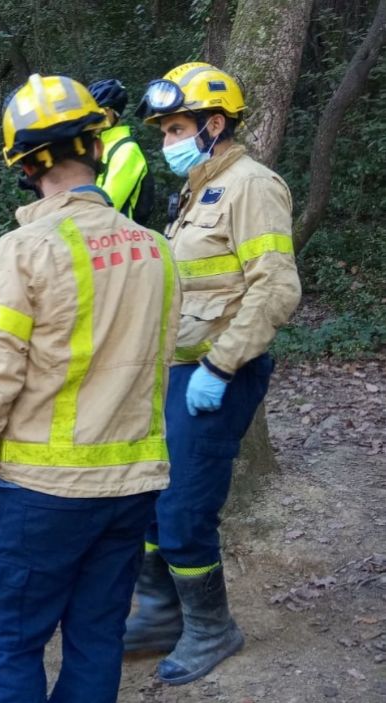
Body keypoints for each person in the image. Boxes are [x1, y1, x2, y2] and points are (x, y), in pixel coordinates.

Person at [0, 73, 181, 702]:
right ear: (97, 146)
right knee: (98, 634)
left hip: (41, 496)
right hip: (132, 485)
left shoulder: (23, 251)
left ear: (24, 167)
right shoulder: (157, 250)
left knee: (12, 640)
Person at [129, 62, 301, 685]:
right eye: (165, 130)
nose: (167, 141)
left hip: (218, 375)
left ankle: (211, 627)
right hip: (177, 372)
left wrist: (220, 365)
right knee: (154, 499)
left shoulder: (252, 185)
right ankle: (157, 616)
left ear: (214, 125)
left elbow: (276, 288)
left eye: (176, 128)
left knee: (183, 511)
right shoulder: (198, 190)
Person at [89, 78, 154, 224]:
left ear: (114, 113)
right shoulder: (100, 145)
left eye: (102, 111)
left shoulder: (127, 150)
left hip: (120, 239)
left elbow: (107, 206)